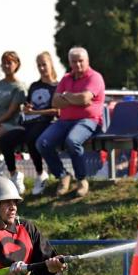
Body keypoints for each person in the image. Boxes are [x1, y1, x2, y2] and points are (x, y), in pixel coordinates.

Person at [36, 47, 105, 198]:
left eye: (81, 61)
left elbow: (85, 98)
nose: (78, 64)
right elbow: (55, 102)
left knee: (72, 141)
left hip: (89, 120)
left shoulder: (95, 77)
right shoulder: (66, 78)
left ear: (87, 61)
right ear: (70, 63)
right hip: (64, 121)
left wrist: (66, 96)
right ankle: (63, 175)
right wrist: (76, 99)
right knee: (42, 143)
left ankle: (81, 179)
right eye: (74, 62)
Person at [0, 51, 58, 195]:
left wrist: (37, 112)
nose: (41, 68)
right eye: (39, 65)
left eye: (44, 65)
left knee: (32, 139)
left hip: (47, 123)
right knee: (5, 140)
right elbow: (28, 106)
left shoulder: (58, 86)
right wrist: (27, 108)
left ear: (51, 64)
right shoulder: (34, 86)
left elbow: (58, 111)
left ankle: (41, 174)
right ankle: (14, 176)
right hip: (28, 123)